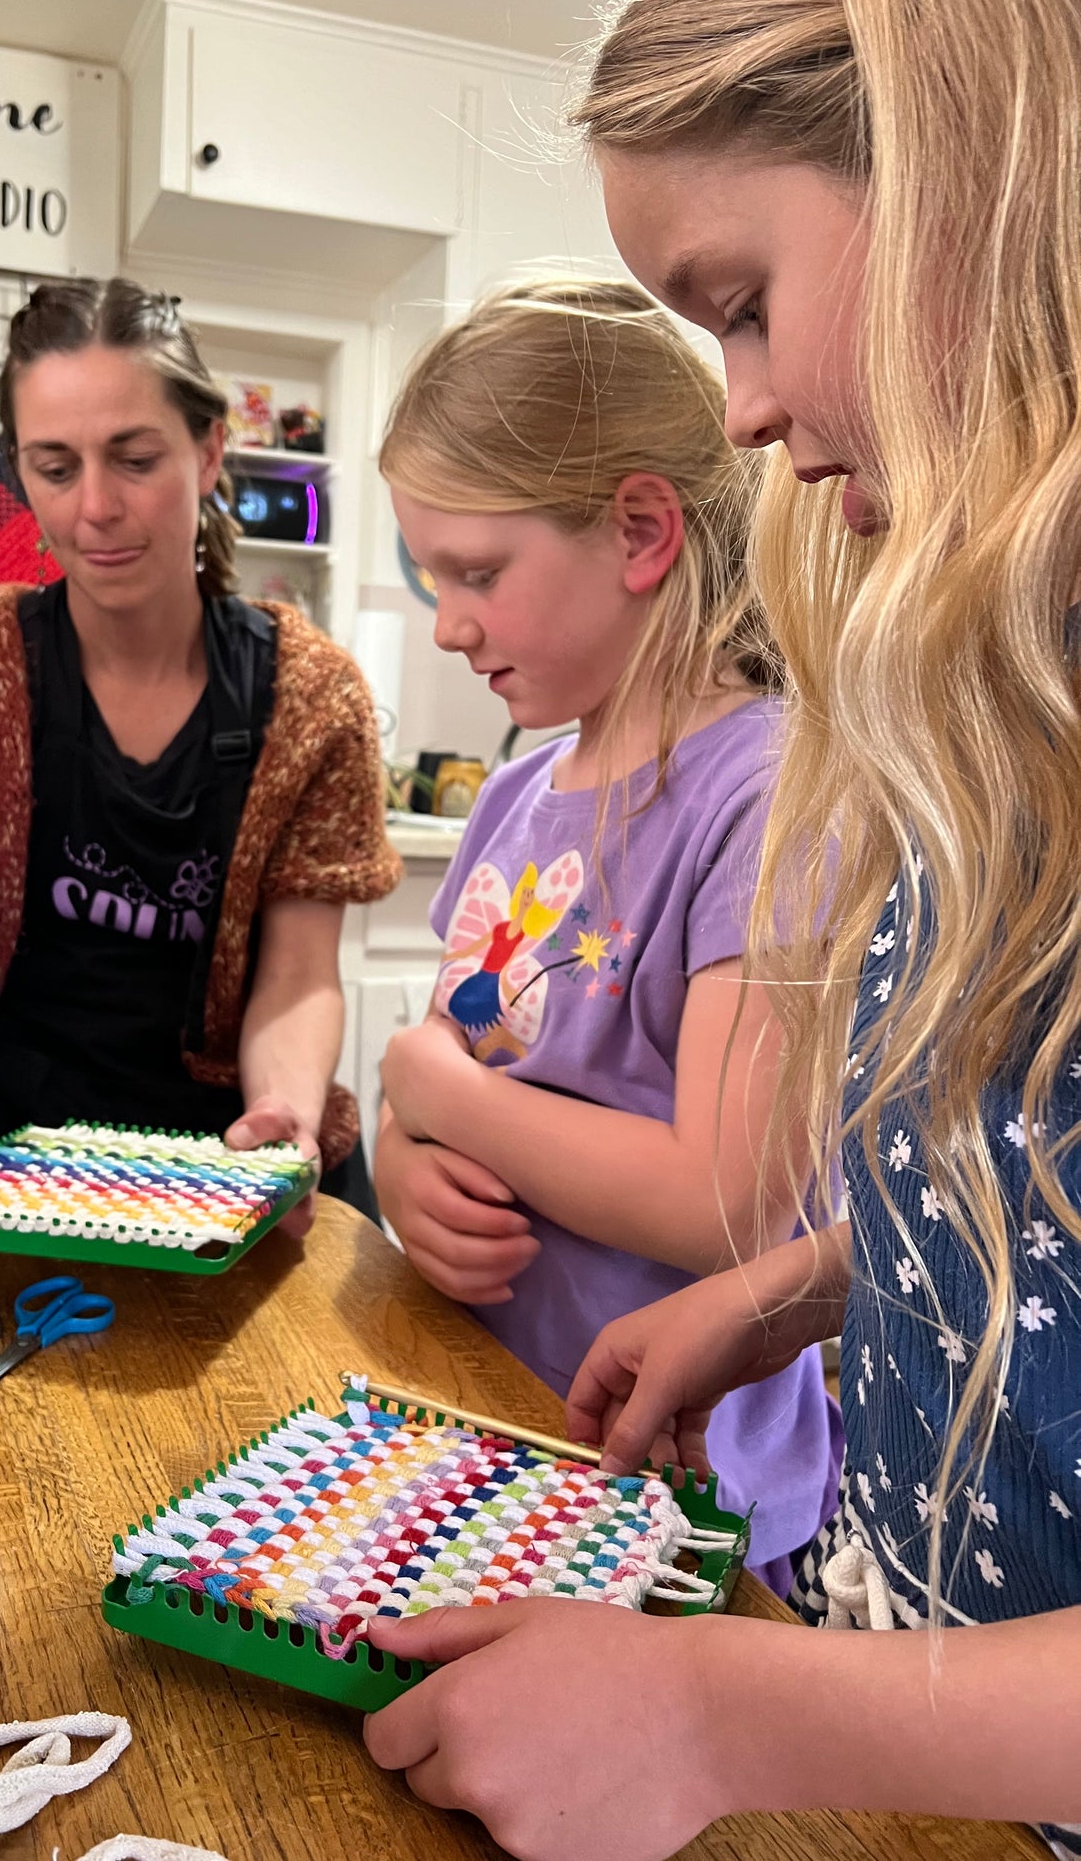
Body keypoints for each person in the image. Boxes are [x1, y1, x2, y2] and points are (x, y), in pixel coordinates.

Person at [362, 0, 1081, 1858]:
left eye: (747, 306)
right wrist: (788, 1292)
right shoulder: (997, 714)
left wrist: (726, 1702)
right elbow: (1033, 1186)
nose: (742, 408)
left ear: (971, 169)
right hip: (898, 1725)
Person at [0, 279, 399, 1308]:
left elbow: (299, 974)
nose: (95, 505)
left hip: (214, 1184)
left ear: (209, 453)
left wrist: (283, 1105)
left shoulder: (311, 699)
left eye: (135, 460)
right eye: (55, 467)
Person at [372, 278, 841, 1596]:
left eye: (477, 571)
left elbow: (729, 1202)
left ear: (640, 529)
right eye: (431, 576)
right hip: (497, 1441)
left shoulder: (769, 790)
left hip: (678, 1500)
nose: (448, 620)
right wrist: (401, 1160)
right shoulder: (521, 798)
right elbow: (468, 1052)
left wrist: (433, 1091)